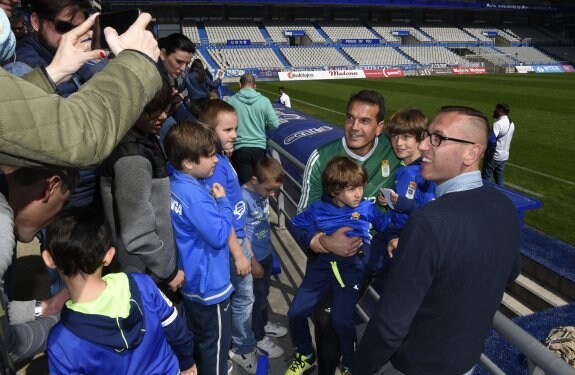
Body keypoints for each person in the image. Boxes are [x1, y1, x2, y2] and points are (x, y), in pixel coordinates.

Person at [354, 106, 521, 375]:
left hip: (417, 364)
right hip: (466, 360)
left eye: (437, 139)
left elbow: (390, 324)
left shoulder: (430, 222)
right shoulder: (504, 205)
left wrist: (360, 367)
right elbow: (510, 270)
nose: (422, 146)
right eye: (426, 136)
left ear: (472, 152)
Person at [295, 90, 399, 375]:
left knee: (329, 318)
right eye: (350, 118)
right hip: (325, 252)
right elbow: (302, 217)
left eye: (365, 121)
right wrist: (323, 241)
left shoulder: (395, 153)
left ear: (379, 127)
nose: (355, 127)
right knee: (323, 318)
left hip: (366, 257)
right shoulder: (323, 156)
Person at [42, 207, 196, 375]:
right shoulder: (142, 285)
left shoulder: (61, 343)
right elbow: (176, 329)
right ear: (109, 255)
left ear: (48, 259)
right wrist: (187, 362)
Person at [0, 12, 163, 168]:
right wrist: (137, 63)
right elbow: (79, 137)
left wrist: (55, 72)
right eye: (63, 26)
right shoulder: (21, 63)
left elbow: (11, 110)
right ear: (35, 22)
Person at [287, 156, 391, 375]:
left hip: (351, 267)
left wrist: (394, 236)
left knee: (340, 320)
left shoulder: (366, 208)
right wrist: (317, 239)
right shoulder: (317, 209)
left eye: (361, 186)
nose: (359, 193)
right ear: (334, 190)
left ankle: (350, 363)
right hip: (322, 267)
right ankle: (305, 353)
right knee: (295, 312)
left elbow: (386, 226)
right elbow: (296, 224)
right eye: (351, 189)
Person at [100, 79, 183, 296]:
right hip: (145, 272)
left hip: (147, 268)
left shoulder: (141, 138)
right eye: (152, 111)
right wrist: (168, 271)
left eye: (165, 108)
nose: (163, 116)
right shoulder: (132, 157)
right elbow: (138, 232)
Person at [165, 121, 234, 375]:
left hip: (193, 282)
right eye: (209, 155)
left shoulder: (176, 184)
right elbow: (218, 235)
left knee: (196, 339)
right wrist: (224, 202)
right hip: (211, 287)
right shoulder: (194, 197)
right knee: (215, 346)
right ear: (188, 162)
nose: (216, 160)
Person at [199, 99, 257, 373]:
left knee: (243, 297)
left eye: (235, 129)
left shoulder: (220, 159)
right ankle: (243, 348)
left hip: (239, 236)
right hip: (234, 241)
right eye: (228, 130)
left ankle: (239, 343)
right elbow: (221, 215)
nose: (234, 135)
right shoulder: (215, 168)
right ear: (210, 132)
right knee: (244, 298)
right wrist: (239, 252)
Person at [0, 166, 77, 372]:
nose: (57, 216)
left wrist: (46, 307)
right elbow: (7, 345)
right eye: (63, 203)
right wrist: (60, 323)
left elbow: (2, 314)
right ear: (51, 187)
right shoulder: (1, 234)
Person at [242, 157, 287, 360]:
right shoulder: (243, 198)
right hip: (255, 260)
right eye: (269, 190)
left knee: (263, 294)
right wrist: (252, 261)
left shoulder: (261, 192)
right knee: (257, 299)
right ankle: (258, 336)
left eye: (275, 190)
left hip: (266, 254)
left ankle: (262, 322)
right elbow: (240, 233)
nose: (272, 194)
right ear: (254, 180)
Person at [377, 108, 435, 254]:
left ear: (421, 138)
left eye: (406, 137)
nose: (398, 143)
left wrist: (404, 204)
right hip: (395, 235)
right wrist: (387, 200)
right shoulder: (403, 166)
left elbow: (431, 215)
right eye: (394, 136)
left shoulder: (426, 173)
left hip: (410, 242)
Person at [227, 73, 280, 185]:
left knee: (245, 184)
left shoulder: (231, 101)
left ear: (240, 85)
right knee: (260, 184)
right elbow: (274, 124)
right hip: (259, 147)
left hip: (239, 147)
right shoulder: (264, 100)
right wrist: (264, 125)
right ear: (255, 86)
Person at [481, 103, 515, 186]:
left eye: (496, 109)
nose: (494, 111)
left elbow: (492, 140)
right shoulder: (511, 123)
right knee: (498, 177)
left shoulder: (498, 124)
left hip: (494, 156)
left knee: (486, 177)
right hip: (504, 156)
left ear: (500, 111)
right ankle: (501, 194)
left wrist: (487, 153)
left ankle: (485, 195)